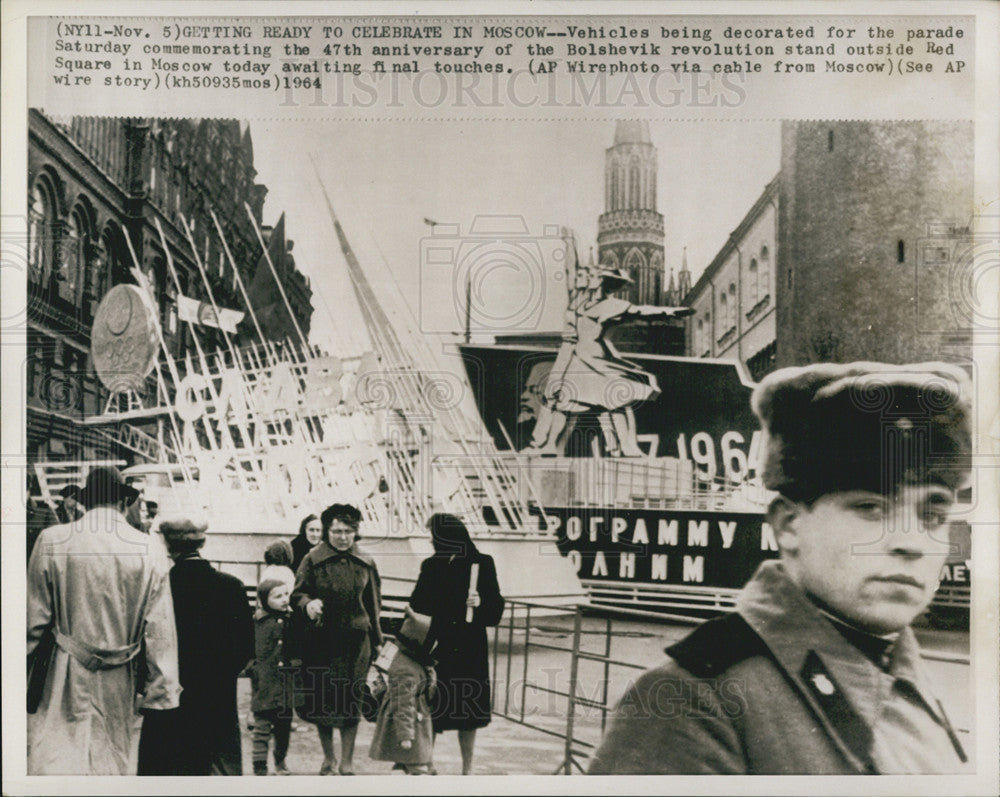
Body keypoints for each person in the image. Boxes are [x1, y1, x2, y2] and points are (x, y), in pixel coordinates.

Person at [588, 361, 974, 775]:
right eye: (870, 507)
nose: (911, 542)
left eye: (933, 516)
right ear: (789, 525)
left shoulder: (902, 668)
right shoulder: (692, 701)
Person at [26, 466, 181, 774]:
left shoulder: (53, 540)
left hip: (64, 669)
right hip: (118, 675)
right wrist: (161, 690)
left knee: (57, 757)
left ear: (85, 501)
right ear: (123, 502)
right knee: (110, 760)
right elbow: (159, 629)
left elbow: (33, 621)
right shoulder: (149, 548)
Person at [529, 265, 693, 457]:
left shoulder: (612, 305)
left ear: (602, 282)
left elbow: (639, 311)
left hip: (597, 361)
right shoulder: (579, 304)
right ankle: (552, 446)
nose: (589, 279)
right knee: (565, 403)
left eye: (593, 276)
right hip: (578, 360)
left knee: (616, 402)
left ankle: (628, 447)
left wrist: (669, 312)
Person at [137, 517, 254, 775]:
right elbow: (246, 652)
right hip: (218, 697)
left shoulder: (162, 586)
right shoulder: (231, 586)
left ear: (167, 544)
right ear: (202, 542)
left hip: (171, 694)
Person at [409, 513, 505, 775]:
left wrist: (481, 603)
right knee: (432, 705)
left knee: (469, 710)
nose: (431, 541)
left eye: (434, 535)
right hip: (438, 645)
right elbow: (418, 603)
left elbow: (495, 609)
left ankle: (468, 768)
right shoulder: (431, 565)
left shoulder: (481, 563)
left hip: (469, 646)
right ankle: (427, 761)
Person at [292, 503, 383, 775]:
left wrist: (377, 641)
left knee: (351, 701)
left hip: (357, 644)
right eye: (336, 531)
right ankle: (328, 758)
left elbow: (374, 605)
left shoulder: (366, 562)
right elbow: (297, 594)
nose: (342, 537)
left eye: (348, 531)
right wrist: (308, 604)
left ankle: (347, 761)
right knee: (323, 701)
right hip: (322, 643)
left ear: (356, 533)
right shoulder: (312, 559)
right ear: (327, 532)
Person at [369, 607, 437, 775]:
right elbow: (403, 704)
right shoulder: (406, 669)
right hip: (408, 725)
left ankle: (402, 770)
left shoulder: (413, 662)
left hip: (415, 720)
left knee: (405, 761)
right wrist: (405, 734)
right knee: (416, 762)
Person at [249, 571, 303, 775]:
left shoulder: (291, 620)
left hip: (286, 685)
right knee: (261, 729)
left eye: (286, 594)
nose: (284, 599)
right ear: (264, 600)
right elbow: (249, 649)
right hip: (264, 685)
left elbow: (300, 642)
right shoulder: (256, 623)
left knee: (283, 729)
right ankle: (259, 767)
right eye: (277, 596)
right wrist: (252, 668)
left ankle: (280, 763)